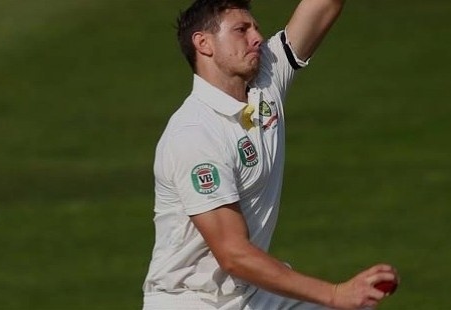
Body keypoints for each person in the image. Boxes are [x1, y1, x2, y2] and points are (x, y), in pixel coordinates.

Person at [142, 0, 399, 309]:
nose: (257, 38)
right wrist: (334, 294)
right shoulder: (195, 135)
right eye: (241, 30)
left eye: (256, 28)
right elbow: (232, 253)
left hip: (250, 294)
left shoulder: (265, 79)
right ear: (203, 43)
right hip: (192, 301)